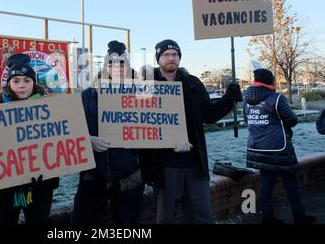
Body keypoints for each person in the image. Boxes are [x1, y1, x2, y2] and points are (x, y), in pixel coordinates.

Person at [140, 39, 243, 224]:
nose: (171, 58)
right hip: (164, 166)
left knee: (202, 216)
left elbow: (209, 115)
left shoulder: (193, 83)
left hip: (194, 163)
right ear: (158, 58)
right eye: (166, 54)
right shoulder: (144, 84)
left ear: (179, 58)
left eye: (175, 54)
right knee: (165, 219)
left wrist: (229, 98)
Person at [0, 53, 59, 224]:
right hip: (4, 189)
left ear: (33, 83)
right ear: (9, 83)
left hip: (39, 186)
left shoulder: (50, 110)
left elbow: (61, 146)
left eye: (27, 81)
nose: (22, 86)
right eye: (16, 81)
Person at [71, 40, 145, 224]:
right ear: (105, 67)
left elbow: (161, 128)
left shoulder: (143, 95)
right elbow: (71, 130)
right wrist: (87, 140)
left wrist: (175, 140)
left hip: (129, 176)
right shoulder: (87, 96)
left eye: (122, 63)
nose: (117, 68)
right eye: (112, 63)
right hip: (93, 175)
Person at [243, 68, 316, 224]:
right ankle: (299, 216)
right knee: (291, 183)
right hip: (279, 148)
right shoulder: (277, 98)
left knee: (266, 183)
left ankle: (267, 218)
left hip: (256, 147)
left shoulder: (246, 100)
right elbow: (292, 120)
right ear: (269, 81)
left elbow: (248, 120)